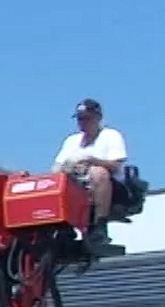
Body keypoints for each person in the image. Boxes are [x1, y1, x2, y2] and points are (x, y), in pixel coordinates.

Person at [52, 98, 129, 242]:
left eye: (87, 118)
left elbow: (116, 165)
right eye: (80, 119)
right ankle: (63, 226)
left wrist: (92, 161)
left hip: (111, 186)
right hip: (78, 182)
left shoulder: (111, 135)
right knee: (58, 181)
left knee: (99, 173)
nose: (82, 122)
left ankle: (100, 224)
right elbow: (57, 168)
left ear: (98, 117)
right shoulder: (71, 141)